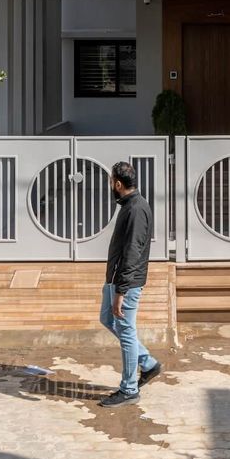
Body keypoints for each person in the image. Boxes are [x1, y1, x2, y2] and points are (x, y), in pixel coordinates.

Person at [98, 161, 161, 407]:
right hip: (115, 279)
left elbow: (133, 253)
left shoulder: (136, 209)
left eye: (110, 182)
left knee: (126, 331)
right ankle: (148, 363)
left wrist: (121, 291)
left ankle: (129, 389)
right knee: (107, 319)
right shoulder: (128, 205)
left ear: (118, 184)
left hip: (126, 283)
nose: (109, 186)